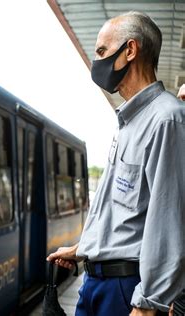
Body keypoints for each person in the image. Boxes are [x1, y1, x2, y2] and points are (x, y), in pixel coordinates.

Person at [47, 11, 185, 316]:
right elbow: (118, 209)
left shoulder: (167, 120)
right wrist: (83, 249)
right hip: (95, 283)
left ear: (130, 50)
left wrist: (148, 303)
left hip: (126, 291)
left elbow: (168, 221)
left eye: (101, 51)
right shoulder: (128, 122)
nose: (97, 63)